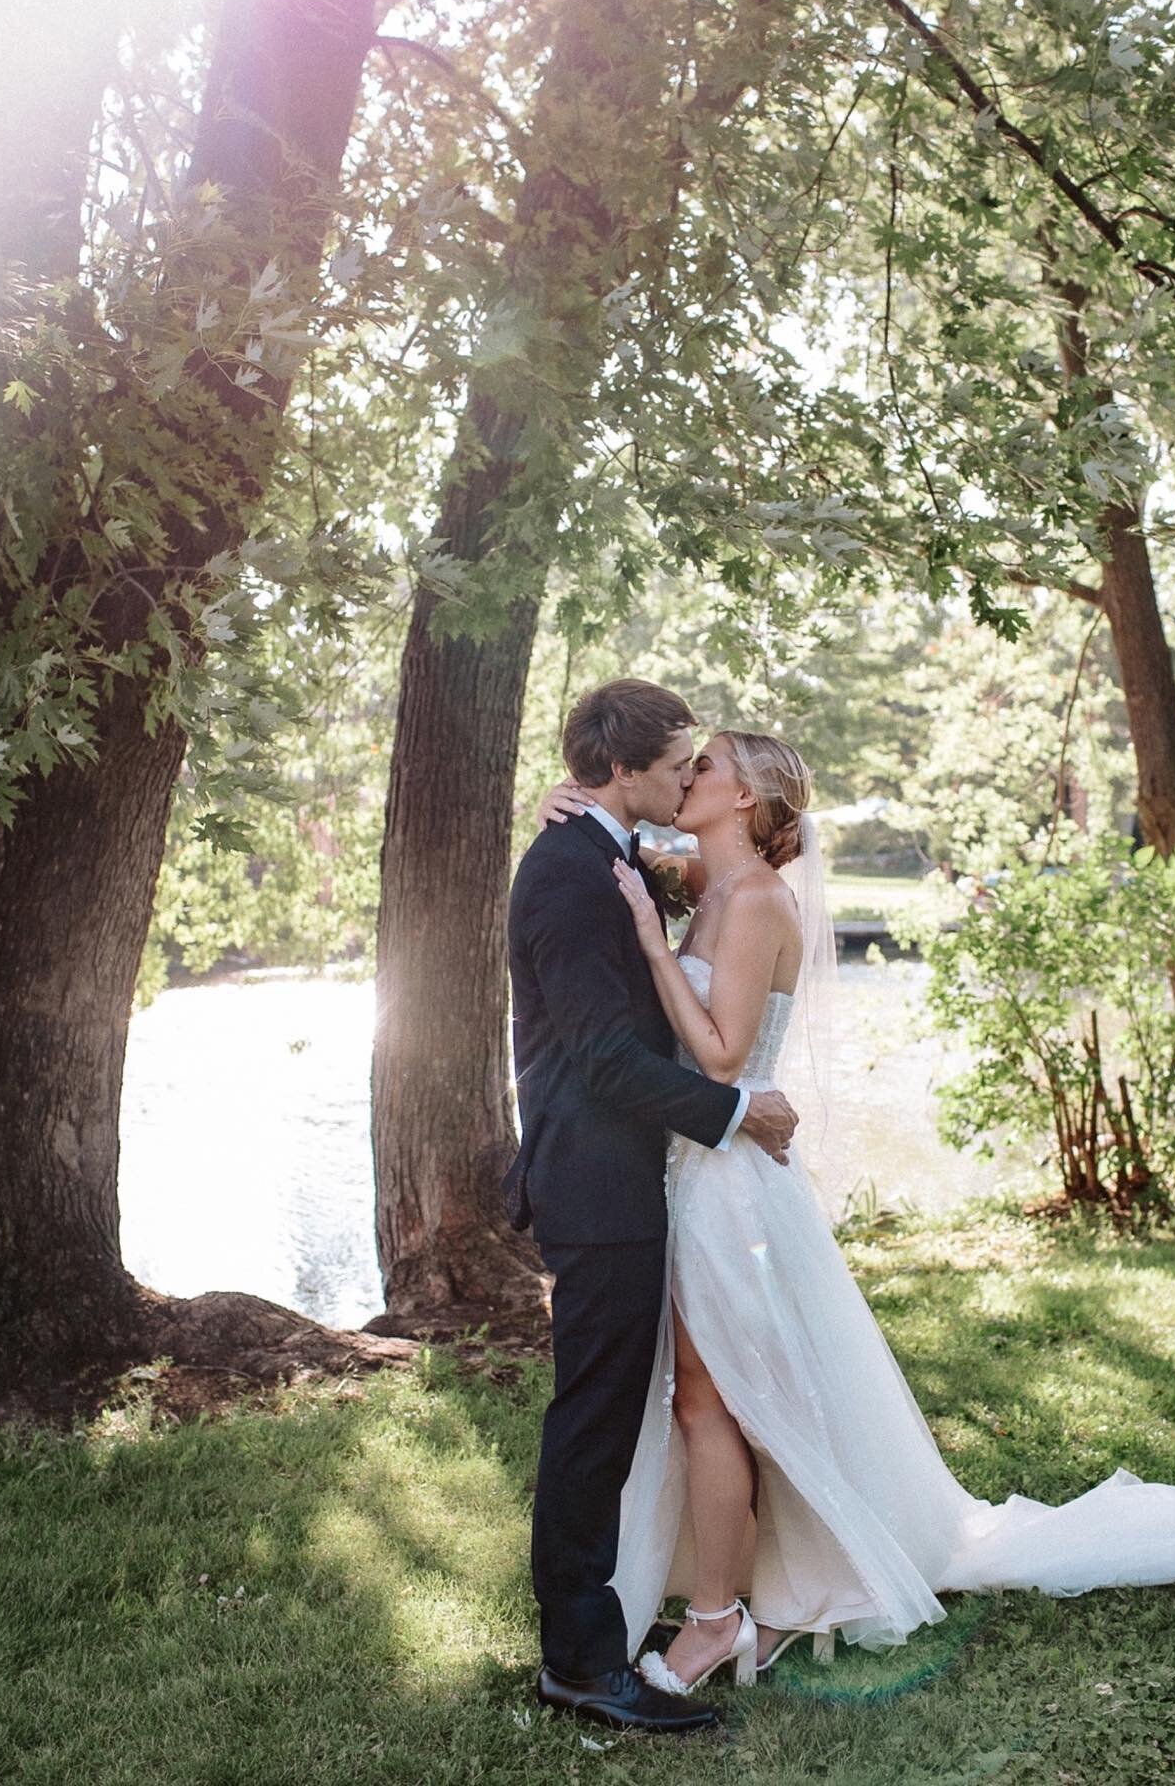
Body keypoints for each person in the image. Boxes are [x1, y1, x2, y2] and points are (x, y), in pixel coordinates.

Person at [537, 727, 1175, 1697]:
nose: (689, 776)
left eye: (707, 766)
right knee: (712, 1401)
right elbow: (634, 840)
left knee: (709, 1400)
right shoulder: (711, 883)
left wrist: (645, 937)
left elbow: (722, 1061)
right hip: (696, 1172)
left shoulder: (757, 899)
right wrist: (578, 805)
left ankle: (719, 1620)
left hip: (728, 1184)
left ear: (750, 797)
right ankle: (739, 1601)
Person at [504, 679, 800, 1734]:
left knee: (615, 1415)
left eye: (699, 765)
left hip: (628, 1179)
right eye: (676, 762)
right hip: (598, 1183)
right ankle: (582, 1665)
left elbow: (693, 885)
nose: (687, 776)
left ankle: (609, 1631)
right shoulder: (571, 876)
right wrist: (732, 1111)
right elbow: (603, 1057)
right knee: (592, 1423)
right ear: (625, 769)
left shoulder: (606, 852)